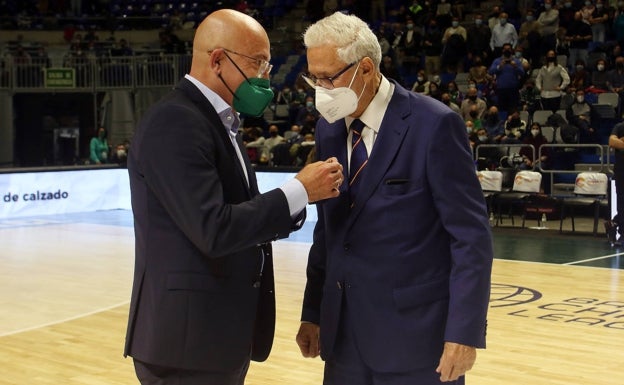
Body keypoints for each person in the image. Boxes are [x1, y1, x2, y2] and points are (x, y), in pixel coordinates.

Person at [123, 9, 344, 385]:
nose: (265, 76)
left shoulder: (219, 122)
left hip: (217, 337)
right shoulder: (175, 121)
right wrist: (299, 191)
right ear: (217, 60)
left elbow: (242, 214)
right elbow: (213, 229)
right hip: (185, 346)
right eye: (258, 62)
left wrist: (295, 201)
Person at [295, 11, 493, 385]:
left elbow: (471, 238)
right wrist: (314, 312)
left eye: (327, 77)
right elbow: (330, 231)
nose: (319, 89)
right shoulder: (328, 129)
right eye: (313, 77)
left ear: (365, 69)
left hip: (417, 341)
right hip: (343, 341)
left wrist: (464, 333)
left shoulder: (435, 125)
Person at [607, 122, 624, 243]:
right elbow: (612, 142)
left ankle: (614, 222)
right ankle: (621, 232)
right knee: (622, 203)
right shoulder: (619, 127)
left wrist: (621, 143)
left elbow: (617, 143)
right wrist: (618, 142)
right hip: (621, 171)